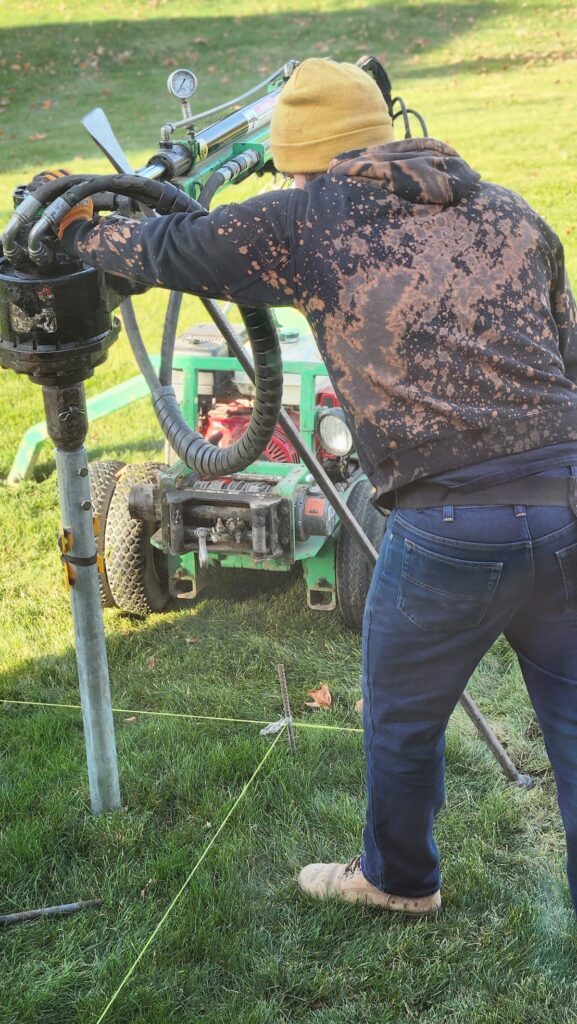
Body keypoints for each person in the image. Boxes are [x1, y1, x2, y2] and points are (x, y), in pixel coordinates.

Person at [51, 58, 577, 916]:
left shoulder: (310, 218)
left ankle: (398, 881)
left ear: (309, 158)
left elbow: (165, 249)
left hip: (444, 531)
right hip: (565, 510)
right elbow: (570, 359)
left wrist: (77, 226)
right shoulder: (511, 212)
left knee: (401, 723)